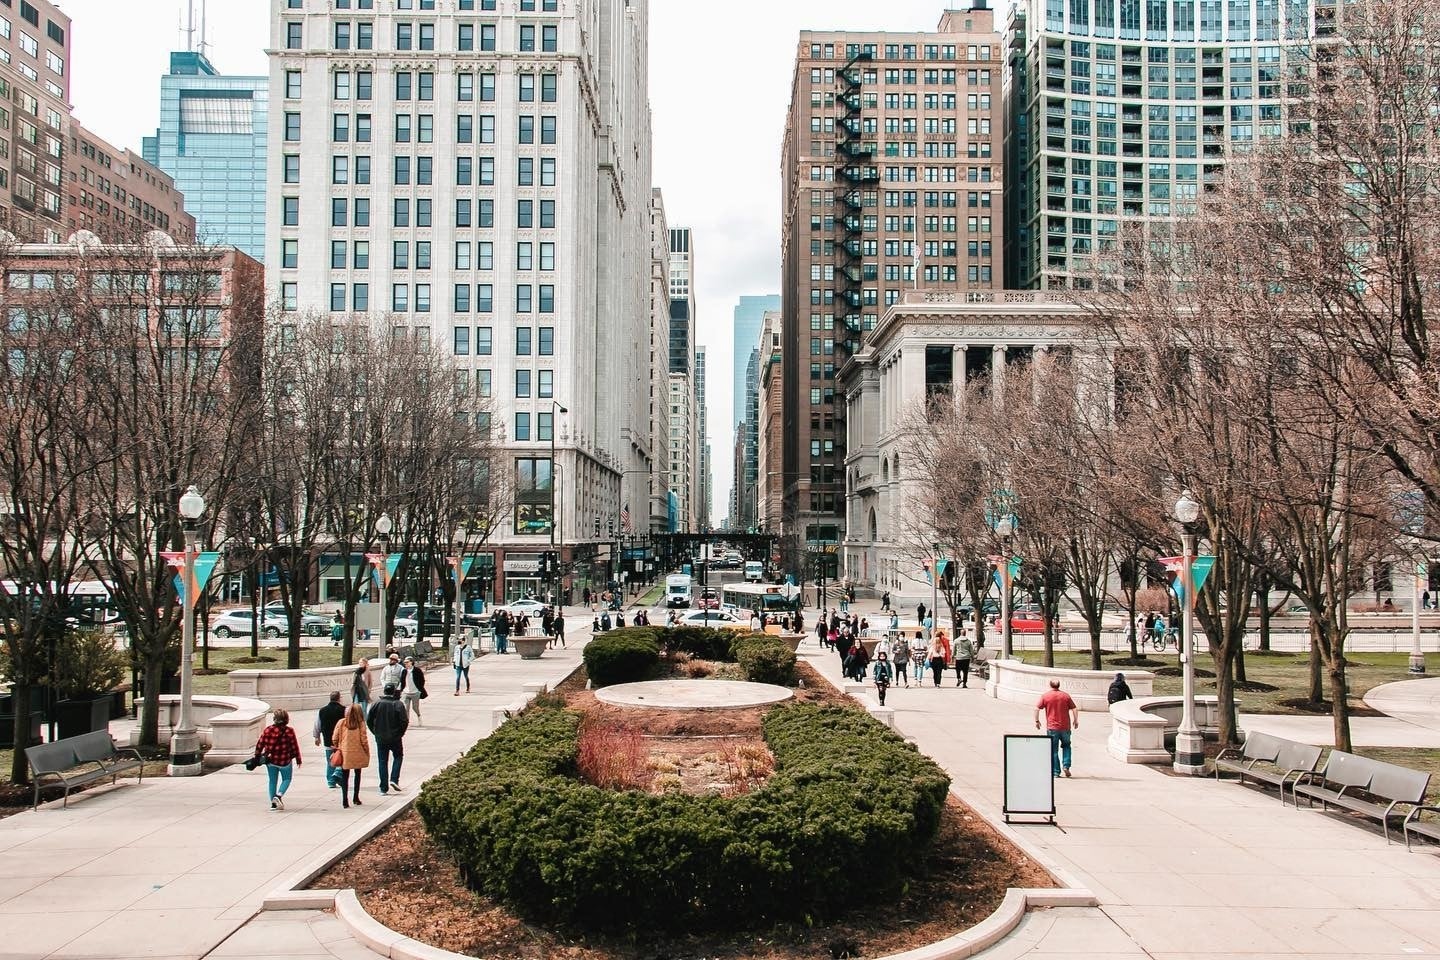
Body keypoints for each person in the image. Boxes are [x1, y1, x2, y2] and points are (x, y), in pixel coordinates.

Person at [254, 708, 302, 810]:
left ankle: (273, 804)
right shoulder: (289, 731)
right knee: (287, 779)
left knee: (272, 781)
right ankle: (279, 795)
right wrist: (298, 758)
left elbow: (260, 744)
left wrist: (257, 757)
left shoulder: (268, 730)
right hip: (285, 761)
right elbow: (294, 746)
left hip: (271, 761)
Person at [366, 683, 410, 794]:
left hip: (380, 737)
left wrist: (375, 732)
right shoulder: (398, 704)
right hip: (395, 737)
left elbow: (369, 720)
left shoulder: (377, 704)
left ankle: (383, 788)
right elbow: (404, 721)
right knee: (398, 756)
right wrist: (400, 733)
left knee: (382, 762)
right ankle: (394, 779)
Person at [1035, 679, 1079, 777]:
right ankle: (1066, 766)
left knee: (1053, 750)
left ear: (1050, 685)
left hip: (1052, 728)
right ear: (1059, 685)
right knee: (1067, 746)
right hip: (1065, 727)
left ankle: (1056, 771)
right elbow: (1074, 708)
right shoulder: (1065, 696)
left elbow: (1037, 708)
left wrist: (1037, 721)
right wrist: (1075, 720)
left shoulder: (1046, 696)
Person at [331, 703, 370, 809]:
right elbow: (364, 739)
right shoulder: (361, 724)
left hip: (345, 753)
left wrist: (337, 745)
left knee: (345, 777)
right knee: (358, 775)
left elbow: (334, 738)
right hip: (358, 752)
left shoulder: (342, 722)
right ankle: (356, 797)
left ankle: (345, 800)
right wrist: (367, 751)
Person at [313, 691, 347, 788]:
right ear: (339, 698)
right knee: (342, 760)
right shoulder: (344, 710)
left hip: (328, 740)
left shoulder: (322, 710)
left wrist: (317, 737)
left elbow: (317, 725)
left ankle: (331, 781)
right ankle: (337, 776)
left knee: (330, 761)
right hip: (341, 740)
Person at [400, 656, 427, 724]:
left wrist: (419, 689)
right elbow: (402, 681)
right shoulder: (404, 671)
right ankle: (407, 722)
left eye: (407, 662)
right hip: (406, 692)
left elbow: (422, 680)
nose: (405, 664)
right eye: (404, 663)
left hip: (415, 692)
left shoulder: (417, 670)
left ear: (411, 662)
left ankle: (419, 716)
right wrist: (401, 690)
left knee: (415, 708)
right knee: (406, 708)